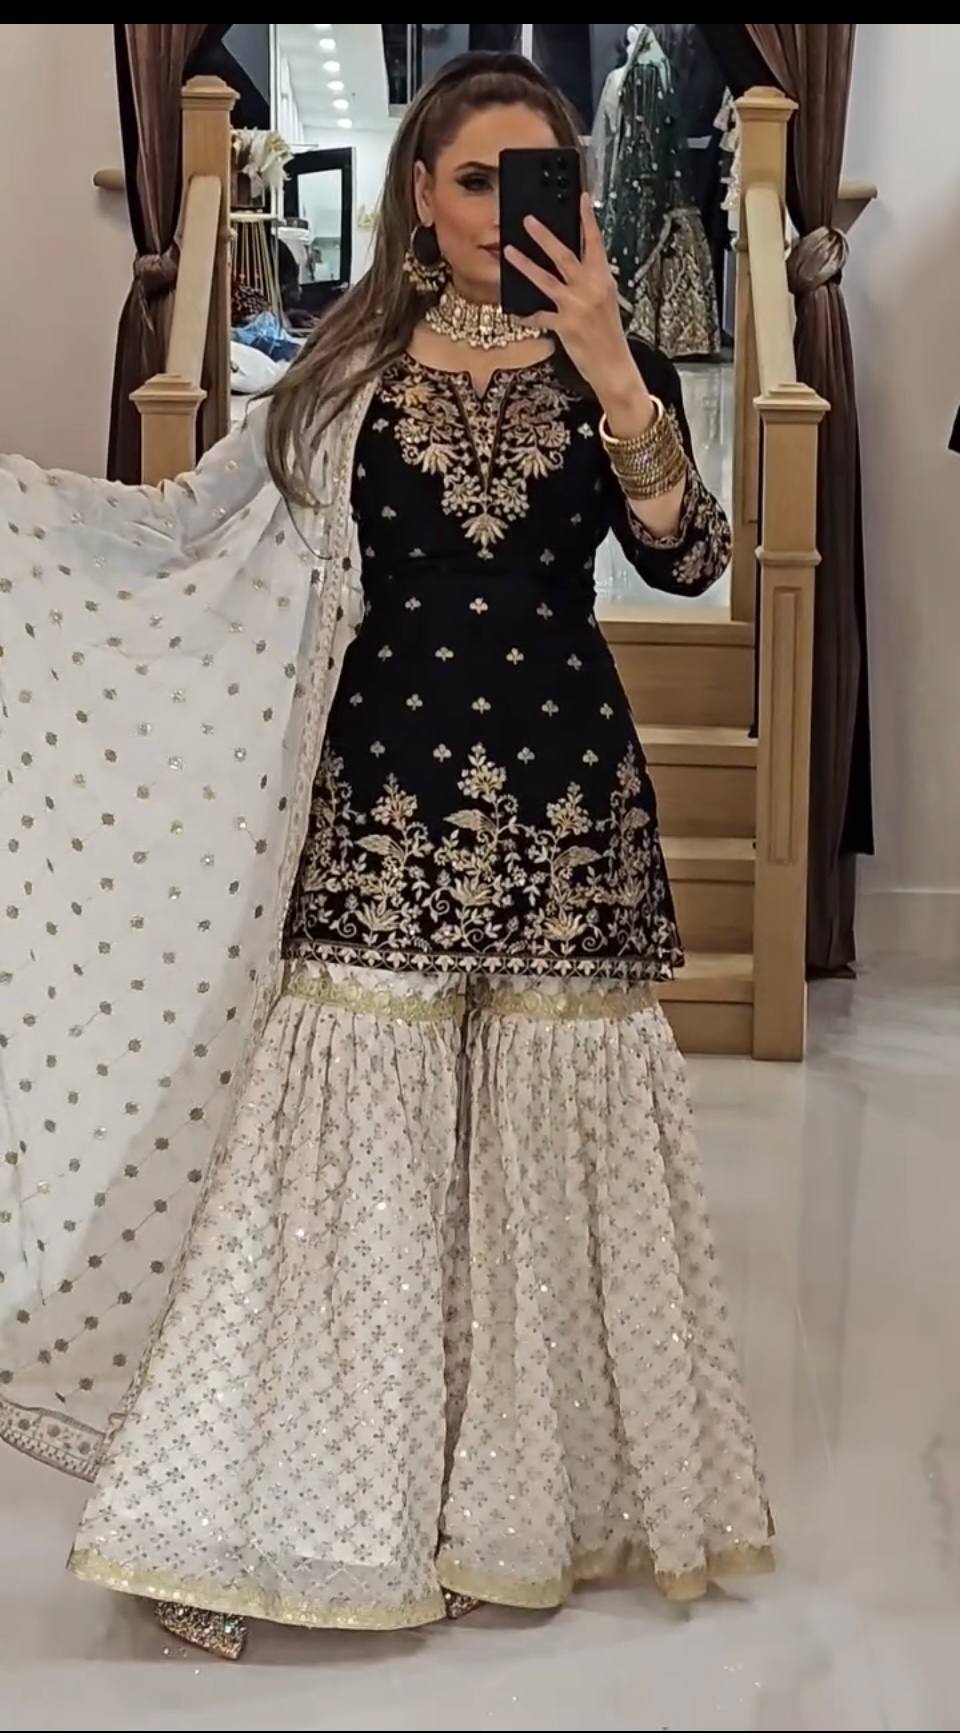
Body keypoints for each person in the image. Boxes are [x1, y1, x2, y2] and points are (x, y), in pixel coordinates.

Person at [0, 54, 770, 1661]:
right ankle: (312, 1502)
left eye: (536, 180)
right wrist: (29, 519)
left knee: (542, 1161)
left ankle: (517, 1506)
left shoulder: (609, 362)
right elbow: (191, 528)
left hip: (567, 801)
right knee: (353, 1151)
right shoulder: (341, 373)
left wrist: (616, 369)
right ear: (420, 192)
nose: (505, 212)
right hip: (384, 793)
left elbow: (691, 557)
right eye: (476, 179)